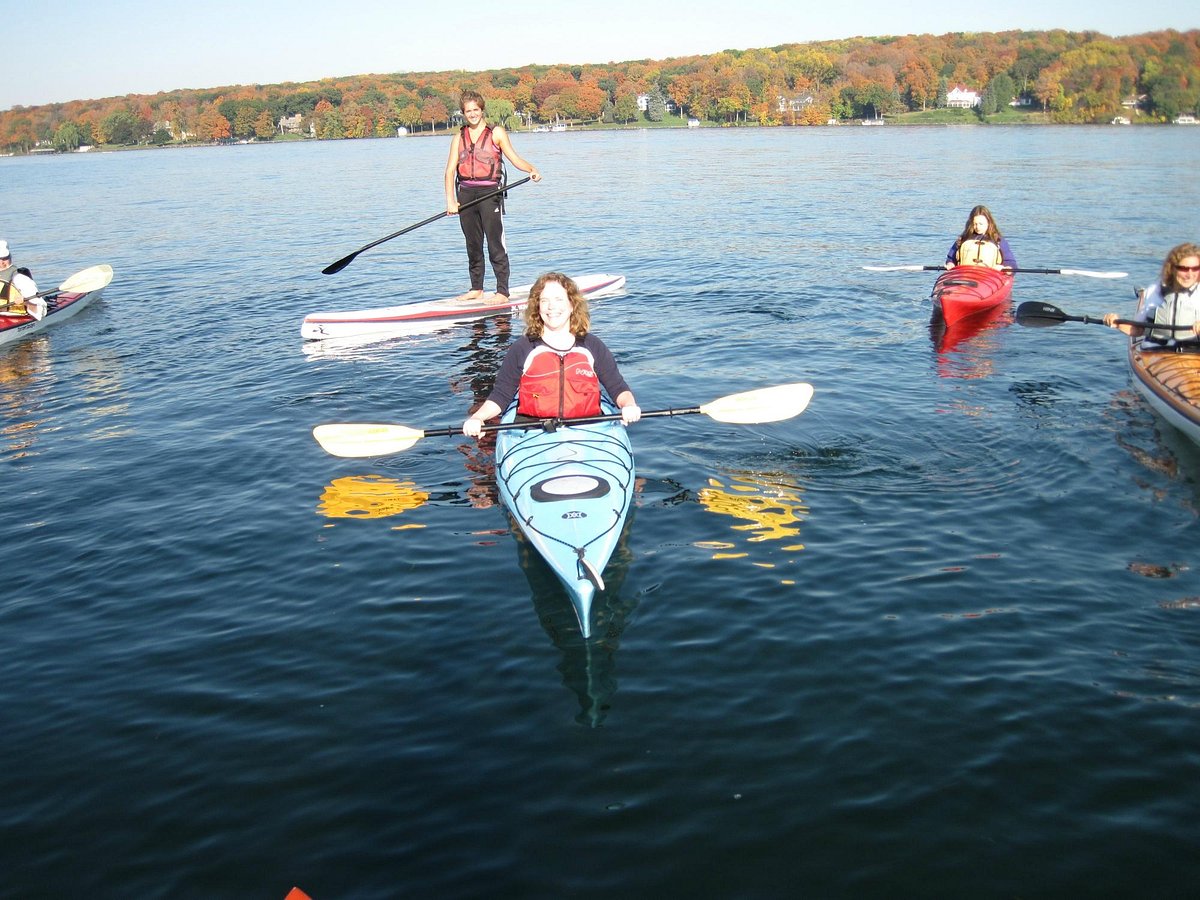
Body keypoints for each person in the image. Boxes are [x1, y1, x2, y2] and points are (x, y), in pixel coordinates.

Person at [462, 272, 640, 436]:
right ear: (537, 306)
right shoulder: (523, 348)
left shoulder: (592, 345)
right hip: (533, 430)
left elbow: (618, 388)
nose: (551, 307)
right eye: (545, 300)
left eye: (558, 299)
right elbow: (501, 395)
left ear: (572, 305)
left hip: (589, 428)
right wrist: (478, 417)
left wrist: (629, 405)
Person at [444, 90, 542, 307]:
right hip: (466, 195)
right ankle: (476, 289)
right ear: (463, 113)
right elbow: (450, 171)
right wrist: (451, 201)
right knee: (473, 244)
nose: (472, 114)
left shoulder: (496, 133)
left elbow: (514, 158)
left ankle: (502, 291)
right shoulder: (458, 138)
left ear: (482, 110)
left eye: (475, 110)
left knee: (495, 243)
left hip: (490, 195)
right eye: (468, 111)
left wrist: (532, 169)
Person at [1103, 243, 1200, 345]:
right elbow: (1137, 330)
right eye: (1184, 268)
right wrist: (1117, 323)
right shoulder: (1156, 290)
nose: (1190, 275)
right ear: (1173, 268)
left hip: (1194, 353)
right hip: (1156, 351)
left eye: (1195, 268)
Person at [944, 205, 1016, 271]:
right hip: (965, 274)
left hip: (990, 276)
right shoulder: (963, 239)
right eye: (975, 224)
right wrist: (950, 264)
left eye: (981, 224)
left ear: (989, 223)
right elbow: (951, 259)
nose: (978, 227)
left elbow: (1010, 263)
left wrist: (1005, 268)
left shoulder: (998, 240)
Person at [0, 240, 39, 316]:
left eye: (5, 258)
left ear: (10, 257)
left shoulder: (20, 279)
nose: (1, 262)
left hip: (15, 317)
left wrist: (25, 302)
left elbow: (38, 310)